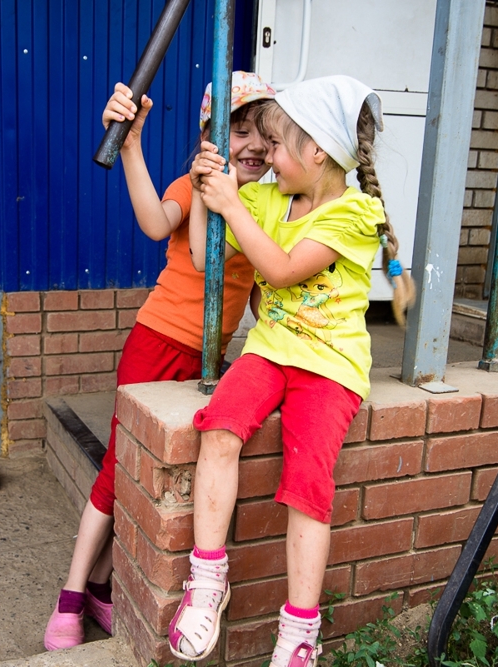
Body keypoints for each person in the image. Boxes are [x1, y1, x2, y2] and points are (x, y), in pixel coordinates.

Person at [170, 75, 415, 666]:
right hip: (270, 351)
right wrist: (212, 192)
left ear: (318, 153)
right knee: (220, 428)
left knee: (308, 483)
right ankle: (207, 582)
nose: (266, 157)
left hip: (329, 368)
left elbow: (280, 270)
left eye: (276, 145)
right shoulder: (265, 199)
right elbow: (210, 256)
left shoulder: (356, 214)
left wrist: (232, 203)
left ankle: (298, 633)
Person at [43, 71, 275, 651]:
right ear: (209, 137)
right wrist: (132, 146)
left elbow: (257, 292)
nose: (251, 146)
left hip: (207, 360)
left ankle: (99, 584)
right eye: (236, 130)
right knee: (120, 468)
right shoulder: (192, 185)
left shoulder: (269, 207)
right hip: (155, 343)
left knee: (153, 472)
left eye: (264, 135)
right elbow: (153, 224)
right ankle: (71, 595)